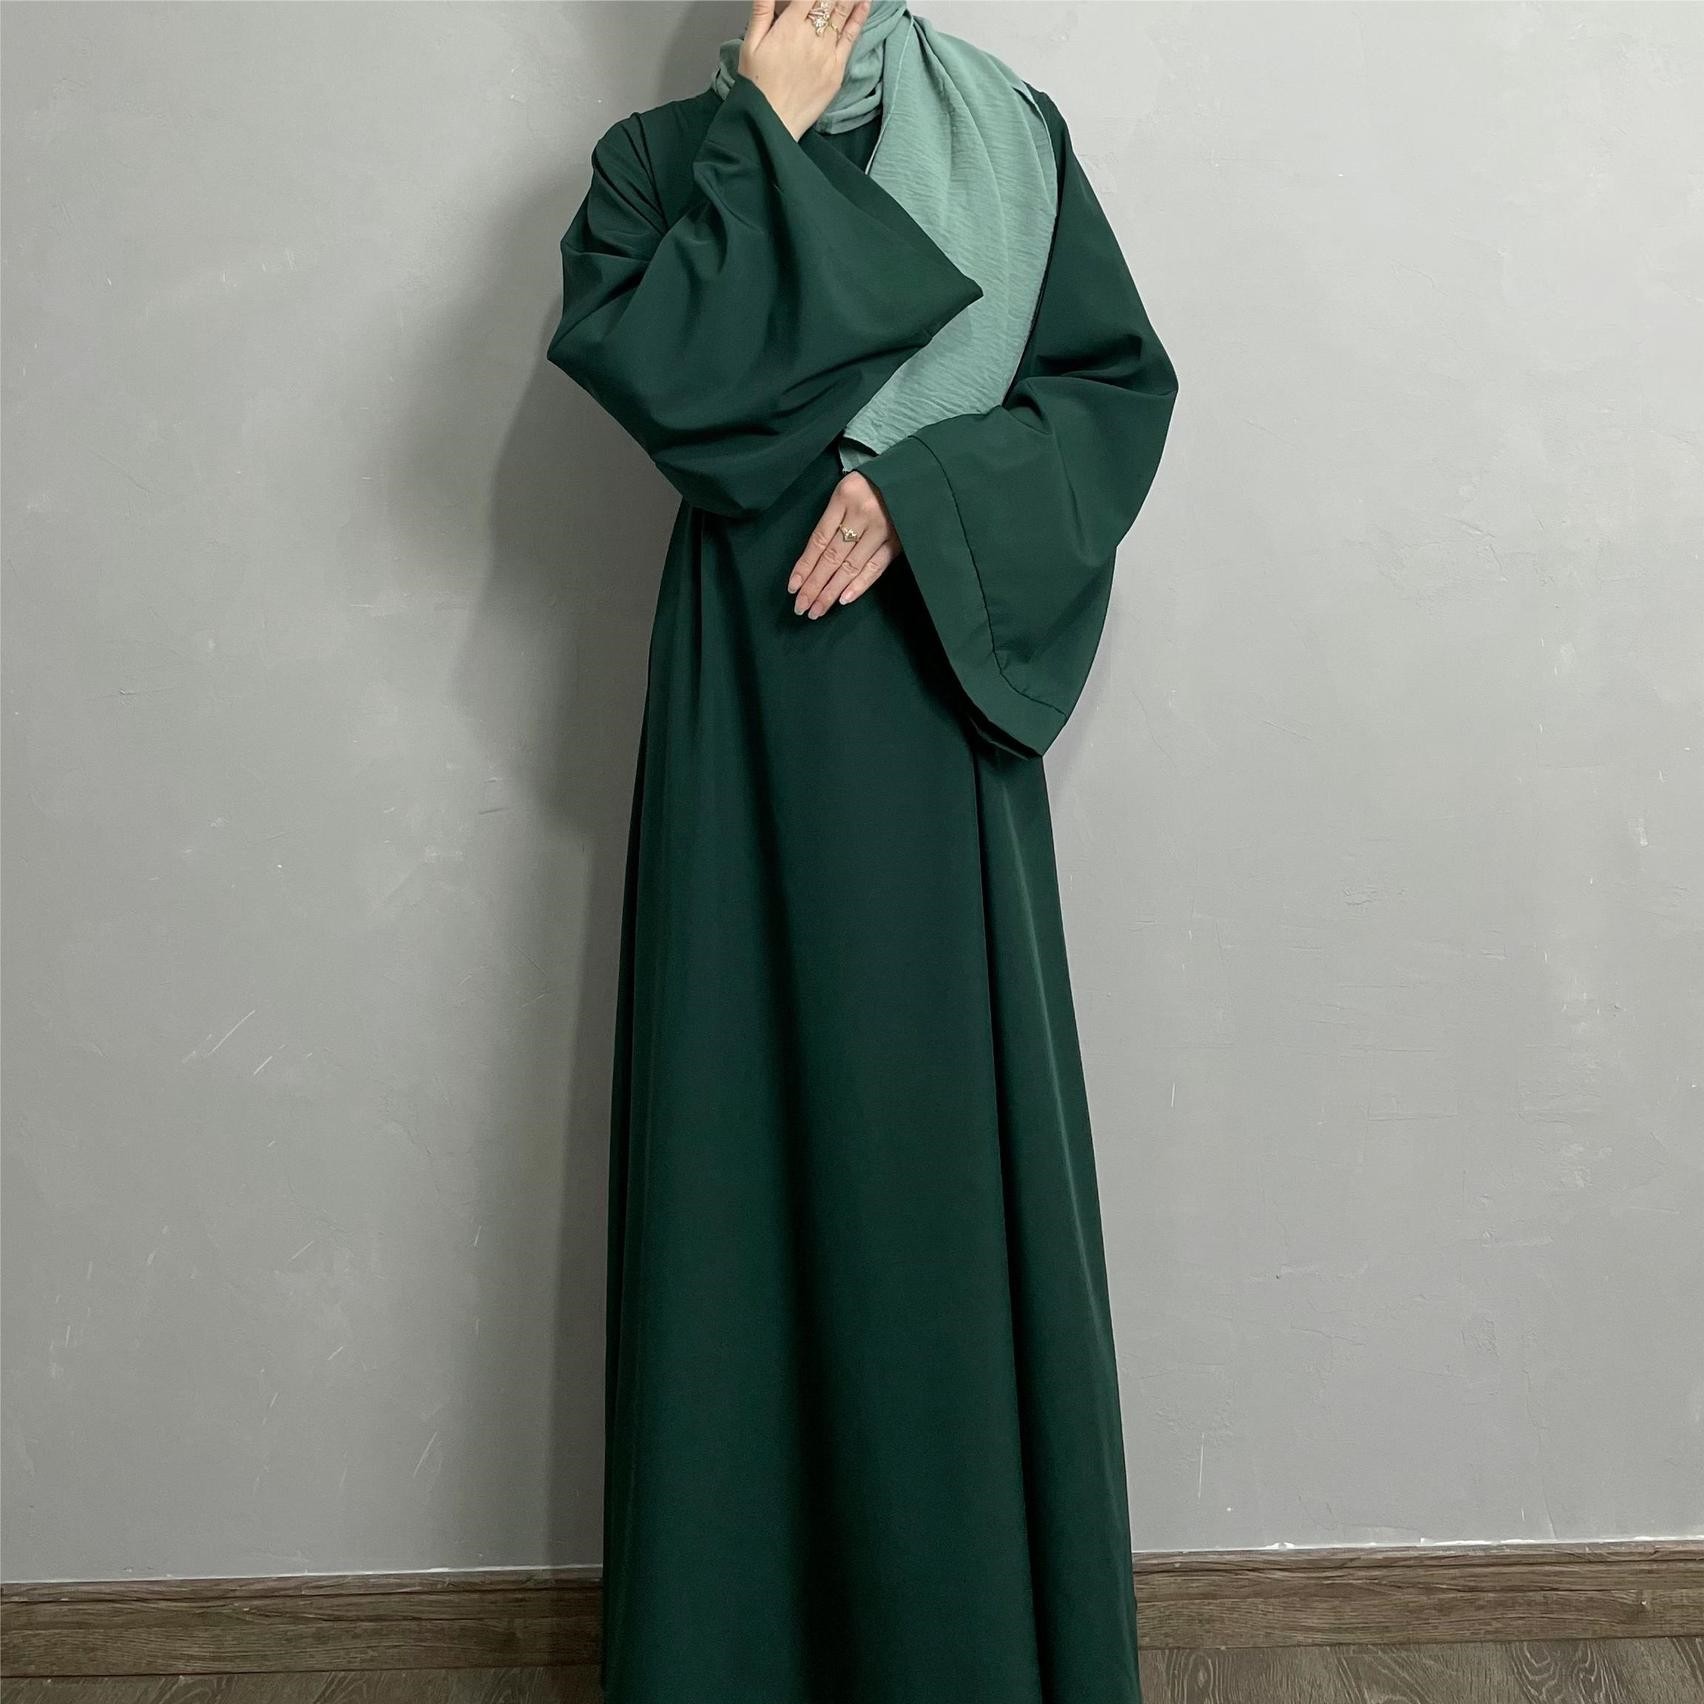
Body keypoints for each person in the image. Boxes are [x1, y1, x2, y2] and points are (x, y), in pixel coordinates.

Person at [547, 1, 1177, 1697]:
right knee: (736, 1155)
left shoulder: (1014, 136)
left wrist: (927, 491)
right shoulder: (659, 165)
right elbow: (681, 394)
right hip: (747, 711)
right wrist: (765, 131)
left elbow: (1108, 397)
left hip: (928, 706)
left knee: (932, 1176)